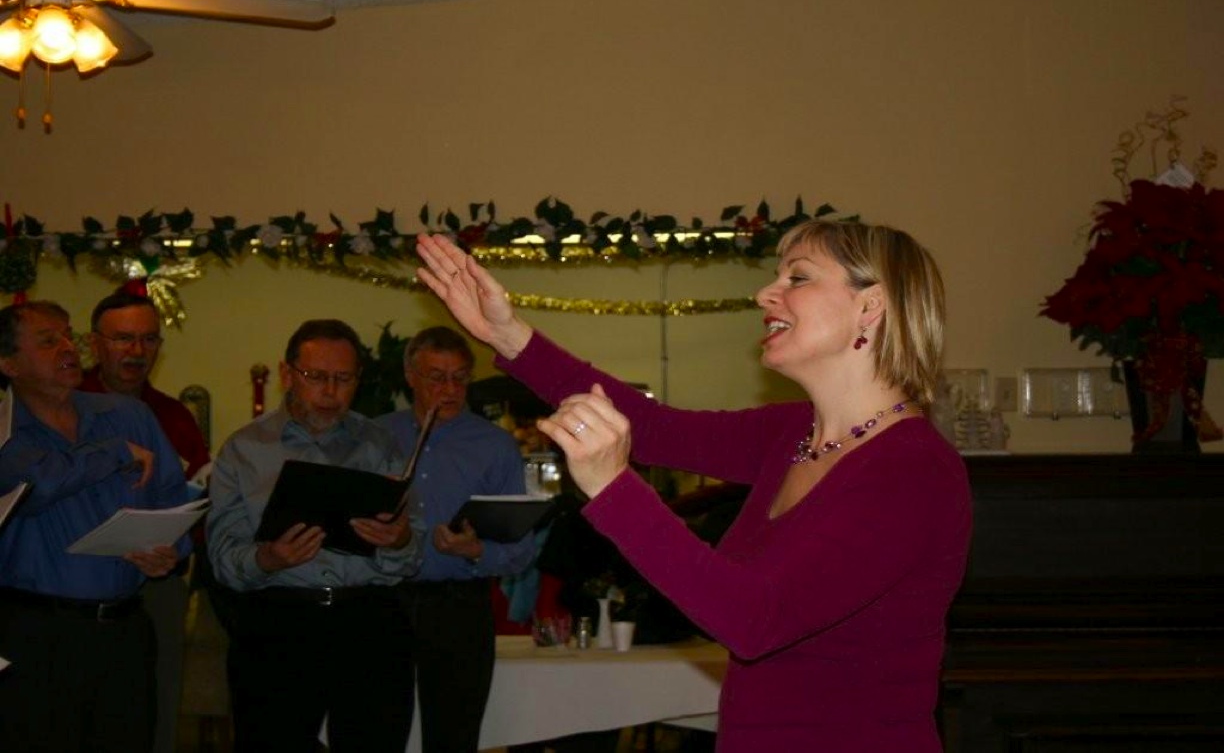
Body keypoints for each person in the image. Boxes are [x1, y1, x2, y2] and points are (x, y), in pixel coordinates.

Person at [416, 220, 974, 752]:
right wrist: (507, 335)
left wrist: (613, 487)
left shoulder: (912, 469)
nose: (765, 294)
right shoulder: (791, 433)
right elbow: (653, 428)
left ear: (870, 306)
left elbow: (757, 620)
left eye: (797, 278)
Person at [206, 318, 425, 753]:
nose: (330, 391)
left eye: (343, 379)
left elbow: (412, 552)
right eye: (316, 377)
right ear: (287, 374)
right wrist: (268, 558)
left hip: (368, 621)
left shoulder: (381, 444)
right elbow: (222, 558)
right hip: (280, 621)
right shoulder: (244, 450)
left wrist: (396, 540)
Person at [0, 300, 190, 753]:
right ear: (8, 363)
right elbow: (37, 483)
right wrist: (116, 453)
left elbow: (173, 502)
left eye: (69, 335)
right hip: (35, 634)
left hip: (124, 629)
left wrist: (170, 549)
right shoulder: (6, 431)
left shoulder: (128, 414)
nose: (68, 347)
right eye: (49, 341)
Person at [376, 325, 536, 753]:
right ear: (410, 376)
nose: (450, 389)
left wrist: (478, 550)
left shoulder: (495, 446)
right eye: (436, 377)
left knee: (454, 738)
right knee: (373, 733)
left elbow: (521, 548)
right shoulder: (374, 436)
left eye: (460, 377)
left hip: (459, 604)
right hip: (382, 602)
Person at [82, 289, 211, 753]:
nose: (137, 352)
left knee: (156, 705)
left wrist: (175, 547)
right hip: (77, 585)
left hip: (156, 584)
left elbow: (197, 501)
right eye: (123, 339)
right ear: (94, 344)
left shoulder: (174, 416)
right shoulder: (65, 407)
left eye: (149, 340)